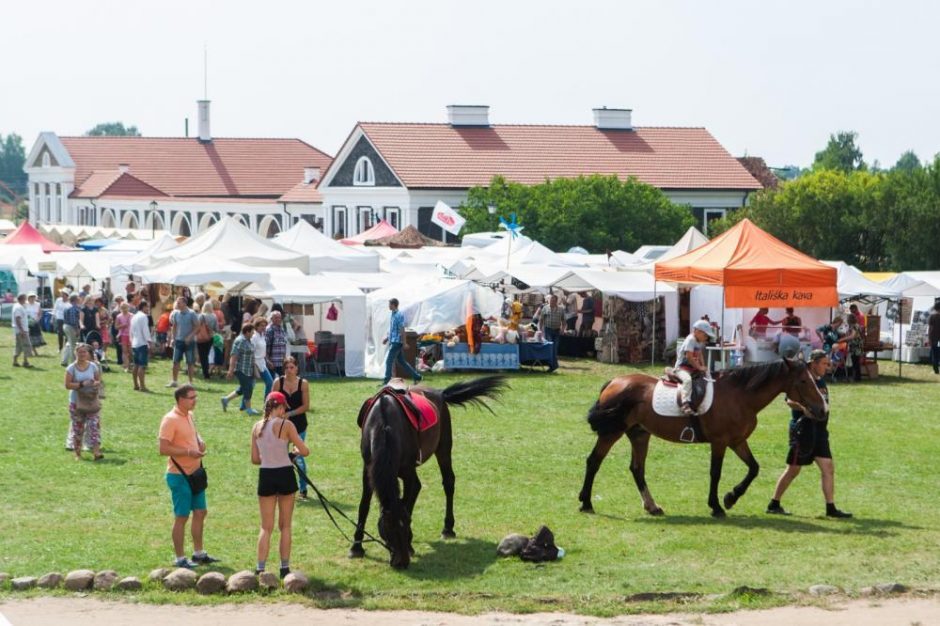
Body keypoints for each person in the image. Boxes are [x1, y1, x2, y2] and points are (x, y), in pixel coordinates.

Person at [767, 349, 852, 518]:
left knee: (828, 468)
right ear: (814, 363)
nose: (827, 367)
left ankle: (831, 508)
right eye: (824, 363)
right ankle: (774, 503)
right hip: (803, 431)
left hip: (820, 431)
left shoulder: (820, 381)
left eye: (827, 364)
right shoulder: (802, 379)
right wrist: (803, 409)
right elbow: (789, 400)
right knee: (793, 470)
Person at [159, 384, 220, 569]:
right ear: (180, 399)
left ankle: (198, 553)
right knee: (182, 516)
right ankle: (179, 558)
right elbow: (163, 448)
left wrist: (200, 442)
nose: (195, 400)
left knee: (201, 512)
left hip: (195, 473)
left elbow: (192, 435)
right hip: (179, 475)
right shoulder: (170, 420)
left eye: (196, 396)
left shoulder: (189, 416)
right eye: (192, 397)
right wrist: (188, 452)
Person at [251, 391, 310, 577]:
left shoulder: (256, 426)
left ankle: (260, 567)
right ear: (281, 407)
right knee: (285, 525)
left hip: (266, 474)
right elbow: (305, 451)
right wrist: (292, 454)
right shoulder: (286, 425)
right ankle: (284, 568)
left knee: (265, 527)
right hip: (284, 473)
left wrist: (271, 456)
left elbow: (254, 459)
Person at [274, 356, 310, 499]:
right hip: (281, 426)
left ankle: (303, 489)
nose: (289, 370)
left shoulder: (303, 383)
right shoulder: (278, 382)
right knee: (279, 456)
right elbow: (270, 402)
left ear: (297, 368)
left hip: (299, 425)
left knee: (298, 457)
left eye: (292, 367)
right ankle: (280, 487)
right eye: (286, 368)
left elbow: (306, 406)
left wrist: (290, 413)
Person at [65, 343, 103, 461]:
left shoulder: (93, 366)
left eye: (84, 352)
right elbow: (67, 385)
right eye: (80, 352)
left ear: (88, 353)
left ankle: (96, 452)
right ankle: (77, 453)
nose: (82, 354)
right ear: (75, 353)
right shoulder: (71, 368)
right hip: (76, 403)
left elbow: (98, 380)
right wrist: (82, 384)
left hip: (91, 401)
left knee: (94, 426)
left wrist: (95, 384)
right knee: (78, 428)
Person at [674, 319, 715, 416]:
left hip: (692, 368)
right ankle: (685, 404)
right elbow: (689, 357)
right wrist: (699, 368)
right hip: (682, 368)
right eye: (705, 335)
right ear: (697, 331)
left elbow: (700, 354)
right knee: (687, 380)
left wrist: (703, 366)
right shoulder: (691, 340)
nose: (706, 338)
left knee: (705, 378)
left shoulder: (698, 341)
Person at [382, 298, 422, 385]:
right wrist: (387, 338)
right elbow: (393, 330)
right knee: (402, 362)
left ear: (393, 305)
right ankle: (417, 376)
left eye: (389, 304)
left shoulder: (399, 315)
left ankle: (386, 381)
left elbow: (402, 329)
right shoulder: (393, 314)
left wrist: (404, 343)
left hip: (397, 342)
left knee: (388, 361)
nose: (388, 306)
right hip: (394, 341)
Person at [222, 324, 259, 415]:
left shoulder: (248, 340)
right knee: (248, 388)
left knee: (243, 389)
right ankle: (249, 409)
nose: (253, 333)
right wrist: (230, 370)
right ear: (247, 332)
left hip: (248, 369)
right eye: (252, 332)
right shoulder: (240, 341)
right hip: (241, 370)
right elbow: (234, 356)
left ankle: (226, 399)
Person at [168, 296, 198, 388]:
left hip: (190, 342)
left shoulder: (192, 313)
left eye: (179, 302)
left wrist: (190, 336)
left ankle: (190, 382)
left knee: (190, 362)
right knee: (175, 361)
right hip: (179, 341)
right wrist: (173, 338)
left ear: (185, 303)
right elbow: (174, 326)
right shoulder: (176, 313)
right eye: (177, 302)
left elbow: (197, 326)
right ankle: (174, 381)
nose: (177, 304)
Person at [538, 294, 565, 372]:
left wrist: (563, 329)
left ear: (556, 301)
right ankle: (552, 365)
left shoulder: (561, 309)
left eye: (553, 300)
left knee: (555, 348)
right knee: (550, 348)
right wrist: (540, 330)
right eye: (551, 300)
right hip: (548, 330)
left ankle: (553, 366)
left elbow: (564, 321)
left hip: (557, 331)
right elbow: (541, 320)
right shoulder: (545, 308)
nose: (552, 302)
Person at [131, 300, 152, 392]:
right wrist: (149, 341)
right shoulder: (144, 316)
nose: (148, 309)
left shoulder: (134, 316)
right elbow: (145, 330)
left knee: (136, 365)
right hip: (142, 343)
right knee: (142, 366)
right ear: (143, 307)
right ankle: (142, 386)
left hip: (135, 343)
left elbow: (131, 331)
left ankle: (136, 385)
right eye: (147, 307)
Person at [252, 317, 275, 399]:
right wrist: (253, 365)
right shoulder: (254, 337)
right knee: (250, 386)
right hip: (255, 364)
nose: (264, 327)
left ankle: (266, 403)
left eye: (265, 326)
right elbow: (251, 352)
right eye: (261, 325)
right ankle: (243, 406)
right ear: (256, 326)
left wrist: (267, 361)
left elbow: (262, 351)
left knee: (270, 382)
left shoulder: (263, 336)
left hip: (262, 363)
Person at [195, 301, 218, 380]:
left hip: (201, 338)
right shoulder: (214, 316)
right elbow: (216, 328)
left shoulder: (201, 316)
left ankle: (205, 373)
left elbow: (197, 326)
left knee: (202, 356)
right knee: (207, 354)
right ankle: (206, 371)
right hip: (210, 337)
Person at [265, 310, 289, 378]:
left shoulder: (282, 329)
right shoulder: (269, 330)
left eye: (279, 317)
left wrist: (285, 359)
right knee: (272, 383)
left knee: (283, 382)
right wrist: (268, 361)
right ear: (271, 319)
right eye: (276, 317)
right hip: (272, 363)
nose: (278, 319)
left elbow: (283, 345)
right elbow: (265, 347)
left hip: (281, 362)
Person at [11, 294, 32, 368]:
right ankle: (25, 362)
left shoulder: (19, 306)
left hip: (21, 330)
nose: (26, 300)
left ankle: (15, 361)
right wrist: (22, 330)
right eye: (25, 299)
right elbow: (17, 319)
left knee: (19, 346)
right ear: (22, 299)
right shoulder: (18, 307)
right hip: (21, 331)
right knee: (26, 345)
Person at [61, 294, 82, 366]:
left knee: (68, 344)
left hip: (65, 326)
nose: (79, 299)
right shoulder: (73, 308)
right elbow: (74, 321)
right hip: (71, 327)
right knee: (73, 345)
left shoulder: (67, 306)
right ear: (75, 300)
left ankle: (64, 360)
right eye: (78, 298)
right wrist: (77, 329)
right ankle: (73, 362)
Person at [843, 315, 864, 382]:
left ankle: (857, 378)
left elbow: (852, 336)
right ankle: (855, 377)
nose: (847, 320)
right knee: (854, 361)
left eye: (848, 319)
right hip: (854, 346)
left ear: (850, 319)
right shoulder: (853, 326)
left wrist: (842, 339)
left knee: (855, 362)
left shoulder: (855, 326)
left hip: (856, 346)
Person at [115, 302, 133, 373]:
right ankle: (126, 366)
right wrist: (122, 326)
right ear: (120, 308)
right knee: (124, 351)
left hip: (131, 335)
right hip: (123, 335)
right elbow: (116, 327)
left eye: (126, 307)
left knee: (131, 351)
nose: (124, 309)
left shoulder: (132, 315)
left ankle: (130, 364)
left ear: (128, 308)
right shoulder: (119, 316)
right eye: (123, 308)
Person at [929, 303, 940, 375]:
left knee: (934, 355)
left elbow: (930, 329)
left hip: (934, 338)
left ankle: (936, 371)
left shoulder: (932, 317)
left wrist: (929, 338)